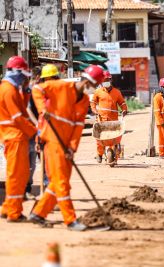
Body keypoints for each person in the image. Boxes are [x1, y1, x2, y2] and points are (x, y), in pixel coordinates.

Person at [29, 65, 105, 231]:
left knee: (58, 183)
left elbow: (78, 127)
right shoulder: (60, 86)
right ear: (87, 80)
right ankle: (70, 220)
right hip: (53, 140)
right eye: (90, 84)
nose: (89, 88)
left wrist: (72, 148)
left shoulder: (84, 100)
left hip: (66, 145)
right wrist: (43, 109)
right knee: (62, 182)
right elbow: (36, 89)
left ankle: (38, 213)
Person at [0, 56, 37, 222]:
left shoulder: (12, 89)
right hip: (14, 135)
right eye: (23, 75)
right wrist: (36, 133)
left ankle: (8, 207)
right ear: (16, 72)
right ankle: (14, 213)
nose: (25, 78)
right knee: (17, 175)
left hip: (15, 136)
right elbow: (18, 117)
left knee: (18, 174)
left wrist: (26, 91)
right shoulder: (9, 90)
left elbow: (21, 111)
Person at [25, 65, 59, 198]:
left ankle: (47, 190)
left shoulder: (53, 92)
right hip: (34, 131)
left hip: (48, 132)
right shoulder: (35, 91)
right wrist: (37, 125)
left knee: (47, 162)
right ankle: (28, 188)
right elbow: (29, 110)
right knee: (32, 162)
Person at [91, 71, 127, 163]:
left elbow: (122, 103)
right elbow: (93, 103)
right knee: (100, 139)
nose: (106, 81)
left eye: (107, 80)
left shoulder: (117, 92)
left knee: (113, 139)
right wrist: (94, 110)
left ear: (111, 80)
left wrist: (124, 109)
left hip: (113, 121)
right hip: (101, 119)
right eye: (104, 80)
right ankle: (99, 154)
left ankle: (114, 155)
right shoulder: (98, 92)